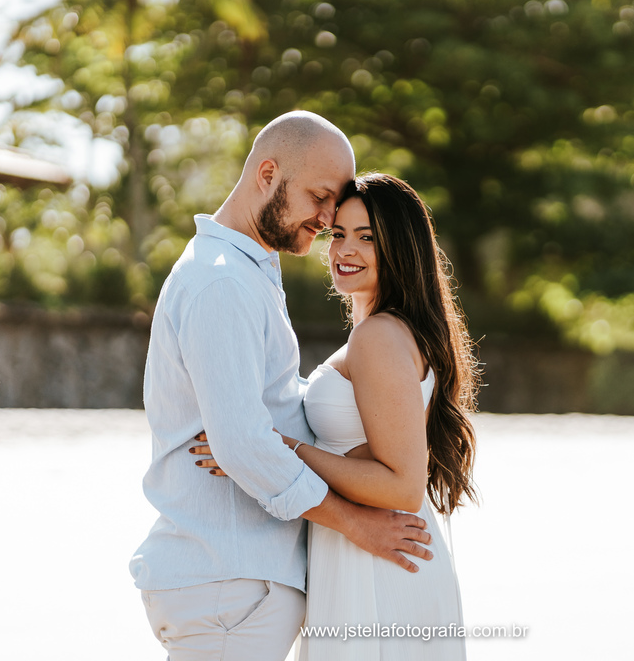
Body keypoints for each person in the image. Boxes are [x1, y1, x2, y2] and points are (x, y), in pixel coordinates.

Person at [130, 113, 434, 661]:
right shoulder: (223, 280)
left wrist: (349, 448)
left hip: (238, 584)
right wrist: (355, 523)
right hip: (228, 580)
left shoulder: (248, 273)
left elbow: (269, 410)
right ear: (267, 173)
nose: (326, 219)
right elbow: (244, 442)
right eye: (320, 198)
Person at [195, 172, 479, 660]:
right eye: (338, 234)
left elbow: (401, 486)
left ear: (402, 248)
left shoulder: (379, 337)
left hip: (380, 566)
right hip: (374, 554)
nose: (344, 250)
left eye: (367, 237)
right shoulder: (386, 330)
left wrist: (280, 450)